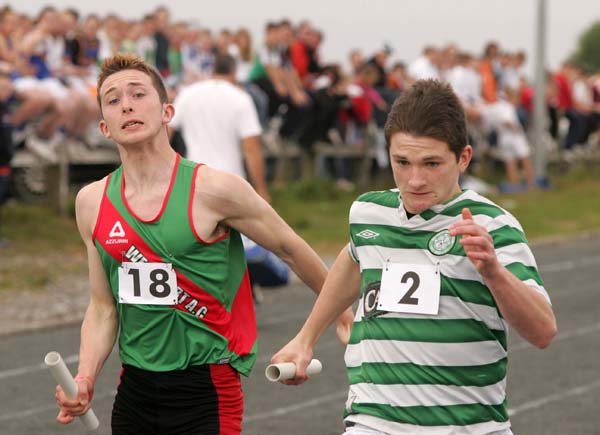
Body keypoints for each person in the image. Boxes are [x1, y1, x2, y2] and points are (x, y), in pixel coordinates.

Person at [53, 54, 353, 435]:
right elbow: (102, 306)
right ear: (104, 127)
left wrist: (342, 315)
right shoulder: (91, 202)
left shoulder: (214, 190)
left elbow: (289, 248)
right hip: (135, 392)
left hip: (207, 390)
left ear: (166, 112)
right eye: (113, 100)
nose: (126, 104)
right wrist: (84, 377)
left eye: (138, 94)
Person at [272, 80, 557, 435]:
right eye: (402, 162)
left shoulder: (493, 226)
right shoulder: (368, 213)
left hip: (469, 426)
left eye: (432, 163)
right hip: (372, 421)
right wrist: (306, 338)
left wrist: (494, 272)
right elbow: (354, 256)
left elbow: (543, 331)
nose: (415, 179)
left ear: (463, 158)